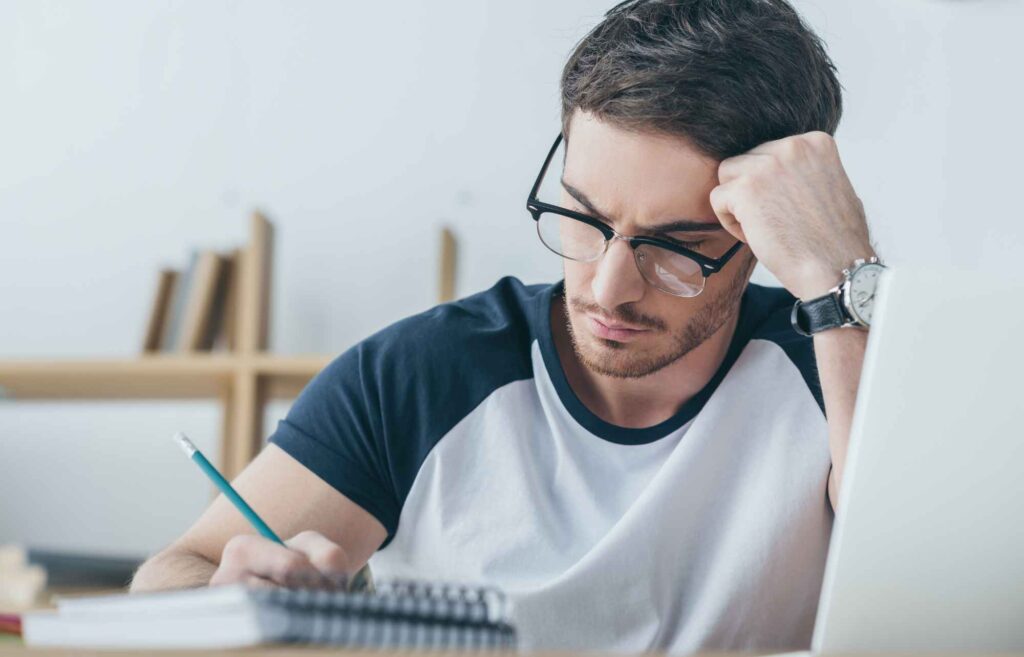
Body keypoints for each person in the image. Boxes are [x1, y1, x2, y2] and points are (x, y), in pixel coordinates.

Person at [131, 0, 880, 651]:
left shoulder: (833, 365)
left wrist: (839, 276)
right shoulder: (425, 374)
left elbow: (944, 593)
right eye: (583, 218)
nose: (610, 287)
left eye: (676, 246)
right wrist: (222, 597)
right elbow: (173, 573)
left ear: (759, 239)